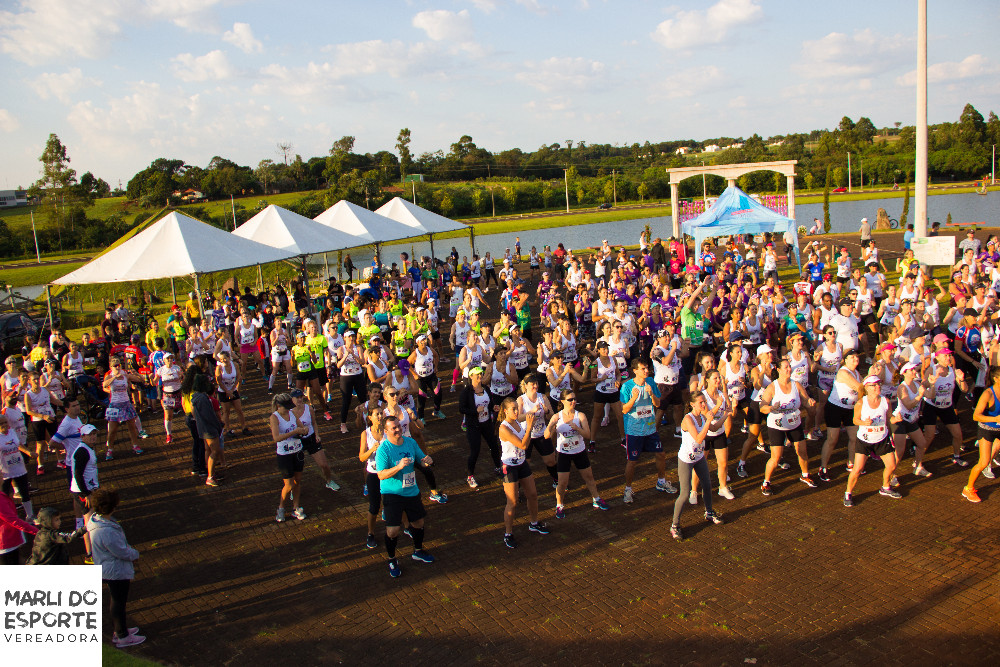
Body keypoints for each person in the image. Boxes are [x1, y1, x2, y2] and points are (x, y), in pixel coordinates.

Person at [375, 415, 435, 578]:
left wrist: (426, 461)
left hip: (411, 491)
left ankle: (418, 550)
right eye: (393, 428)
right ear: (386, 431)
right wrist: (399, 466)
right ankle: (392, 559)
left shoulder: (410, 442)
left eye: (398, 426)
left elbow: (421, 460)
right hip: (392, 494)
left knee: (418, 522)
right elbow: (380, 474)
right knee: (393, 530)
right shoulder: (383, 449)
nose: (397, 430)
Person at [88, 487, 145, 646]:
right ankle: (122, 636)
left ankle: (121, 630)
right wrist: (134, 554)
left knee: (117, 601)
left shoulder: (96, 522)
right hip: (115, 571)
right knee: (118, 602)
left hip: (108, 568)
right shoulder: (106, 531)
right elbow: (120, 551)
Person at [545, 390, 608, 519]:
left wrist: (577, 428)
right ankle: (559, 505)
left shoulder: (580, 416)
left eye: (574, 399)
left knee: (589, 477)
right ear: (562, 401)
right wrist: (551, 424)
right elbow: (546, 436)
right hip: (563, 453)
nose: (573, 401)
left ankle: (596, 498)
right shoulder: (557, 417)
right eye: (570, 399)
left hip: (579, 451)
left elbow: (588, 435)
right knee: (562, 483)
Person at [671, 392, 725, 540]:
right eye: (700, 402)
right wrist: (708, 420)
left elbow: (714, 429)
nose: (704, 405)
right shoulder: (688, 419)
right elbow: (699, 438)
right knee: (684, 493)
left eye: (704, 402)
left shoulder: (702, 416)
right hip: (686, 460)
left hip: (699, 457)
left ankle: (709, 512)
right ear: (692, 404)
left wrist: (726, 415)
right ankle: (675, 525)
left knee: (707, 485)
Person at [497, 397, 550, 548]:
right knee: (512, 502)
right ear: (505, 411)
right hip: (510, 466)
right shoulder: (504, 428)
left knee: (532, 494)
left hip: (521, 463)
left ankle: (534, 522)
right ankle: (508, 533)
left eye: (516, 408)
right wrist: (529, 428)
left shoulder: (517, 420)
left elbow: (526, 419)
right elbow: (523, 444)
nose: (516, 411)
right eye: (513, 409)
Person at [622, 358, 676, 503]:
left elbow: (658, 404)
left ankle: (661, 481)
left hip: (650, 428)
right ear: (634, 371)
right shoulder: (626, 387)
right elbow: (624, 409)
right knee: (632, 461)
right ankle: (628, 489)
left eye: (647, 368)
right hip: (634, 430)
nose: (646, 371)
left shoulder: (651, 382)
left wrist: (651, 394)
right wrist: (633, 398)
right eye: (643, 369)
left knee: (661, 454)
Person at [843, 376, 903, 507]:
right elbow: (855, 420)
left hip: (882, 438)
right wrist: (864, 423)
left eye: (878, 384)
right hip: (865, 440)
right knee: (858, 469)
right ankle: (848, 492)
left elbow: (889, 418)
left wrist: (896, 419)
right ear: (866, 388)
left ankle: (885, 487)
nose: (877, 387)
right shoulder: (861, 403)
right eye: (873, 385)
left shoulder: (885, 401)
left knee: (892, 465)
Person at [269, 393, 309, 522]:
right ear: (278, 406)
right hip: (284, 454)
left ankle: (296, 507)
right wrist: (294, 432)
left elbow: (301, 427)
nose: (288, 409)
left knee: (297, 481)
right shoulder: (274, 418)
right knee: (289, 484)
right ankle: (281, 508)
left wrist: (304, 430)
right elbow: (276, 438)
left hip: (297, 451)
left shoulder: (292, 414)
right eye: (285, 407)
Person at [291, 389, 340, 492]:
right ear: (292, 399)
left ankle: (329, 481)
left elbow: (314, 423)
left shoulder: (309, 408)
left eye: (301, 397)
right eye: (297, 398)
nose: (300, 399)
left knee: (324, 465)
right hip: (297, 442)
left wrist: (317, 435)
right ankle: (293, 489)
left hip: (311, 438)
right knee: (296, 470)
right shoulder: (290, 413)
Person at [459, 365, 500, 488]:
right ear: (471, 376)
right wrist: (475, 411)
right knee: (475, 451)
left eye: (481, 374)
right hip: (474, 425)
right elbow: (462, 409)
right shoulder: (466, 392)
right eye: (477, 374)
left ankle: (498, 467)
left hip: (486, 423)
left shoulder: (486, 389)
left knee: (494, 446)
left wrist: (493, 407)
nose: (480, 376)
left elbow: (490, 403)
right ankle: (470, 476)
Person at [965, 366, 1000, 502]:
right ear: (996, 379)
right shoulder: (988, 394)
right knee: (983, 462)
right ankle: (968, 488)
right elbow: (976, 416)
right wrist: (995, 419)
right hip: (987, 429)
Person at [190, 374, 223, 487]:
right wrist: (218, 425)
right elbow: (209, 416)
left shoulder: (195, 397)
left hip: (202, 427)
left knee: (207, 450)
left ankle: (210, 472)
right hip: (209, 428)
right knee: (215, 450)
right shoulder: (203, 398)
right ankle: (210, 476)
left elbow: (193, 413)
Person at [1, 478, 39, 565]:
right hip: (6, 543)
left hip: (7, 541)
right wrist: (36, 531)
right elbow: (13, 520)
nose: (2, 474)